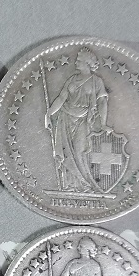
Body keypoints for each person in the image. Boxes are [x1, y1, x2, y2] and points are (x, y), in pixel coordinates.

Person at [44, 47, 108, 192]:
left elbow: (102, 102)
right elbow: (61, 98)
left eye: (79, 60)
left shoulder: (96, 81)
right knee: (67, 153)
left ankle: (85, 184)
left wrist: (103, 124)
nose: (76, 62)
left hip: (84, 121)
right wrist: (48, 113)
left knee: (80, 152)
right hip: (66, 118)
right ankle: (70, 185)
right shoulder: (72, 80)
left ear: (87, 63)